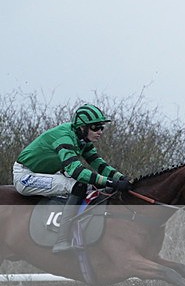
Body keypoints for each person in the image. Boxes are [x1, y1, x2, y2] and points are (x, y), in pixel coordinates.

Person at [13, 104, 131, 253]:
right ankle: (61, 240)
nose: (100, 131)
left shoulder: (82, 139)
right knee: (78, 185)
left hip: (48, 173)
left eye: (102, 127)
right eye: (95, 127)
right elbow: (77, 171)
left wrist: (123, 179)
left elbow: (99, 164)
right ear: (82, 127)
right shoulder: (64, 137)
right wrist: (110, 182)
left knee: (93, 188)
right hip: (25, 176)